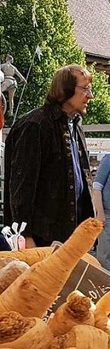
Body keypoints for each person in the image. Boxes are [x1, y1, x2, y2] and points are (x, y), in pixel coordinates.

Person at [4, 64, 95, 247]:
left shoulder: (75, 126)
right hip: (41, 238)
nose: (90, 95)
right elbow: (21, 188)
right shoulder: (35, 126)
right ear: (65, 89)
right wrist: (25, 237)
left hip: (70, 235)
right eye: (85, 88)